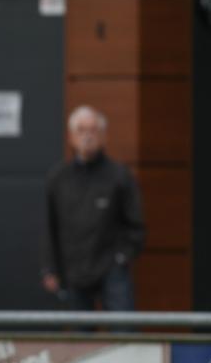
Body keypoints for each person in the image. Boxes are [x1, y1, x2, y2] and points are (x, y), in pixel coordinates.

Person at [42, 106, 145, 311]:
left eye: (93, 130)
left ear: (103, 136)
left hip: (112, 270)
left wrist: (121, 257)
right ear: (71, 136)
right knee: (80, 340)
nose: (87, 136)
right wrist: (49, 269)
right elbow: (49, 227)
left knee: (123, 333)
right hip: (73, 270)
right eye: (81, 130)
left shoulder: (119, 176)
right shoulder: (58, 178)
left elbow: (136, 225)